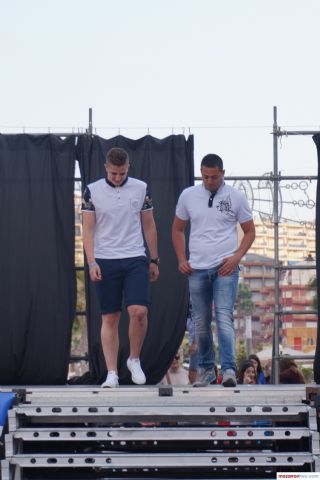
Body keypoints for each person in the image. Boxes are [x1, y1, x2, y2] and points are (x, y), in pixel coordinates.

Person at [172, 154, 255, 387]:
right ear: (201, 173)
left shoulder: (236, 196)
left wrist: (236, 257)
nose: (209, 181)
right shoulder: (188, 195)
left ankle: (228, 370)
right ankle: (207, 370)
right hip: (196, 268)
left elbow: (249, 231)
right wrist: (181, 259)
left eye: (214, 177)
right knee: (200, 322)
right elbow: (177, 229)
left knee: (223, 318)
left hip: (225, 267)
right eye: (205, 176)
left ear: (223, 173)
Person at [82, 147, 159, 388]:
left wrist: (154, 259)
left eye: (122, 173)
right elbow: (88, 228)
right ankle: (112, 372)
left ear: (128, 168)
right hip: (105, 258)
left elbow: (149, 225)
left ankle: (134, 359)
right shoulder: (92, 191)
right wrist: (92, 261)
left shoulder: (141, 188)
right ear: (106, 168)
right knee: (110, 317)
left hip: (135, 255)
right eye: (114, 173)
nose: (118, 177)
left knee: (138, 312)